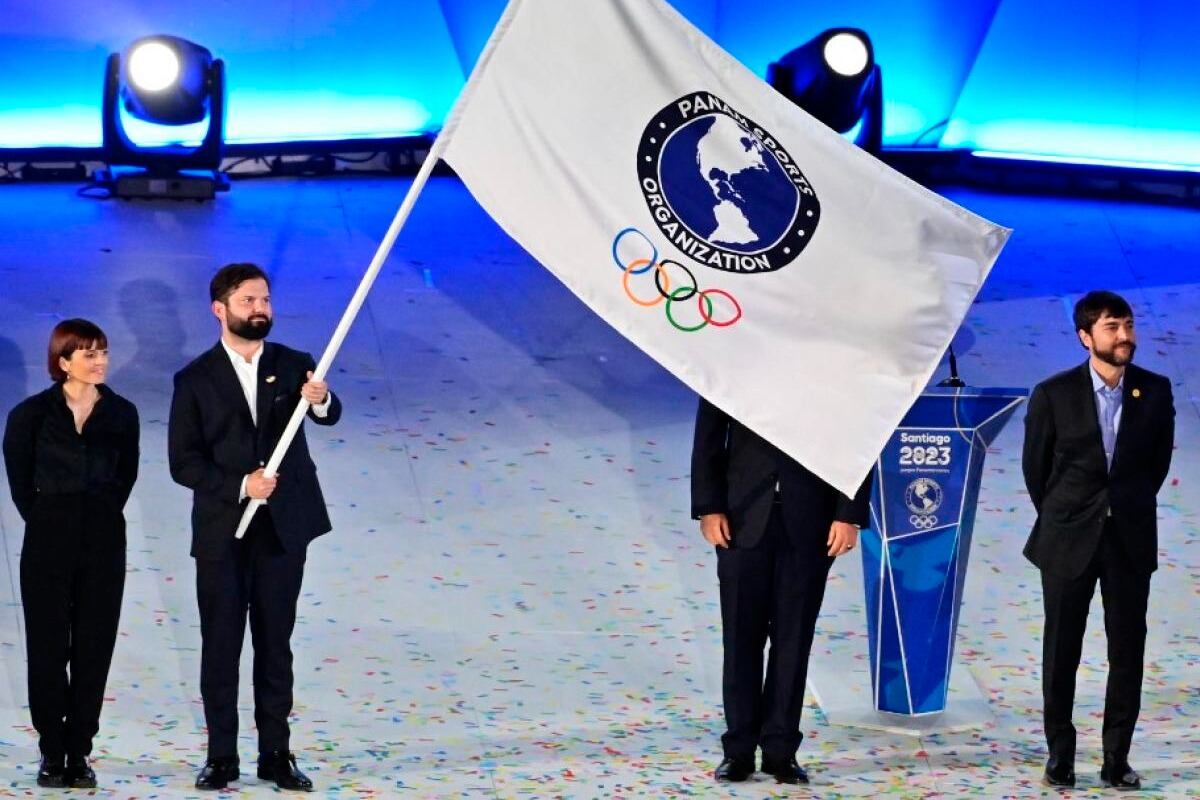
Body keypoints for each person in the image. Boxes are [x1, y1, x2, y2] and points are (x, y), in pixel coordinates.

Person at [168, 263, 341, 792]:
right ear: (219, 310)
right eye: (248, 301)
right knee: (220, 644)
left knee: (275, 643)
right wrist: (242, 485)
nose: (260, 308)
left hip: (283, 529)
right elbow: (184, 463)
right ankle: (222, 756)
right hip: (224, 531)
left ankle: (276, 754)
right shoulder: (195, 379)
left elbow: (328, 416)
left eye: (264, 299)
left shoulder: (294, 365)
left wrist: (322, 400)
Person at [1023, 290, 1175, 790]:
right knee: (1061, 649)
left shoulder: (1154, 390)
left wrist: (1121, 507)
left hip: (1128, 538)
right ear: (1086, 337)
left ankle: (1116, 759)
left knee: (1127, 650)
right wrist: (1071, 513)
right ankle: (1059, 755)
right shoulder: (1053, 393)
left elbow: (1155, 465)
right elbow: (1037, 470)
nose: (1125, 335)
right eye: (1112, 327)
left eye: (1128, 324)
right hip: (1068, 538)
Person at [691, 397, 870, 784]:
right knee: (740, 640)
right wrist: (708, 507)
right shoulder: (729, 359)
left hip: (812, 522)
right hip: (740, 520)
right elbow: (709, 436)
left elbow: (857, 435)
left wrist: (849, 513)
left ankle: (781, 752)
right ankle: (738, 751)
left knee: (793, 642)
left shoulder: (833, 363)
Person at [2, 319, 139, 789]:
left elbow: (126, 477)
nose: (100, 361)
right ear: (63, 362)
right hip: (47, 544)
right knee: (47, 649)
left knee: (93, 648)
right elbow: (21, 484)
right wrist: (50, 520)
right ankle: (51, 751)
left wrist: (95, 516)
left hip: (103, 541)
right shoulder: (30, 416)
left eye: (103, 351)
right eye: (88, 354)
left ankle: (79, 750)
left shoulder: (122, 414)